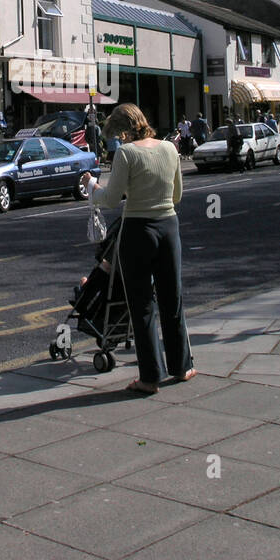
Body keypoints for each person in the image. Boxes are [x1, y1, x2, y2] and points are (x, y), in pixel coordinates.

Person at [80, 103, 193, 395]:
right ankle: (182, 367)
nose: (115, 142)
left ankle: (150, 377)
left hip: (138, 232)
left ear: (124, 131)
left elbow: (111, 199)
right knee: (173, 299)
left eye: (116, 135)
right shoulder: (169, 148)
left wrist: (92, 185)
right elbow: (177, 194)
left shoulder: (127, 154)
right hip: (169, 227)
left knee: (142, 306)